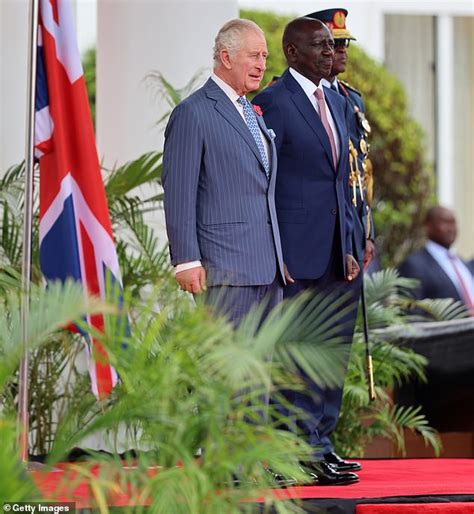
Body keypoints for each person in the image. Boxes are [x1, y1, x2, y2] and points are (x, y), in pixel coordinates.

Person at [253, 17, 360, 486]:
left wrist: (356, 241)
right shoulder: (272, 102)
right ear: (292, 53)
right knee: (294, 359)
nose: (328, 51)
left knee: (330, 355)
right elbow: (263, 181)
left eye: (330, 44)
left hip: (340, 253)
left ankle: (321, 445)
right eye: (318, 45)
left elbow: (345, 182)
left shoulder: (337, 100)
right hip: (297, 255)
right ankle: (292, 451)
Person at [162, 19, 285, 328]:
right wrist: (186, 260)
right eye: (254, 56)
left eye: (264, 57)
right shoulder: (193, 113)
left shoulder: (251, 112)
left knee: (261, 373)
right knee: (227, 375)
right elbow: (179, 192)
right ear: (227, 57)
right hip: (225, 272)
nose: (261, 65)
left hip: (268, 271)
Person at [307, 8, 375, 272]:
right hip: (318, 234)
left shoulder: (352, 99)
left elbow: (363, 171)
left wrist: (367, 232)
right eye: (334, 44)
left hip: (355, 231)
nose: (342, 50)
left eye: (345, 43)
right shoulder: (289, 96)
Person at [399, 206, 474, 315]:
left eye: (453, 223)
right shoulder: (415, 265)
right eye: (445, 222)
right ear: (428, 226)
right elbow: (411, 314)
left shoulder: (463, 264)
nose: (451, 228)